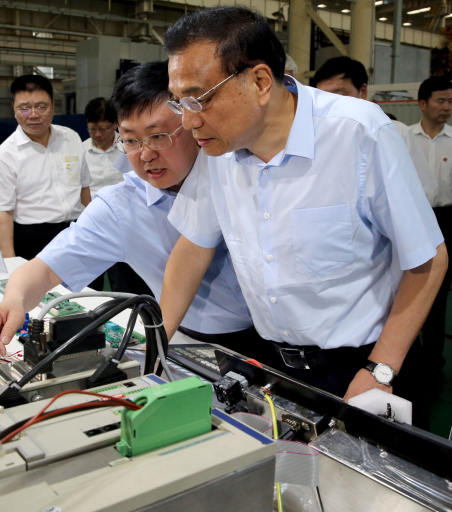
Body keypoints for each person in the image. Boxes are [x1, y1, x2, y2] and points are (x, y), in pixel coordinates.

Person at [159, 6, 446, 428]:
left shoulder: (357, 132)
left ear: (260, 81)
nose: (188, 121)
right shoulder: (218, 149)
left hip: (363, 364)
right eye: (179, 101)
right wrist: (155, 344)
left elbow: (428, 258)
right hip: (276, 368)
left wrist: (380, 370)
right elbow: (192, 248)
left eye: (199, 98)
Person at [0, 61, 255, 357]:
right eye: (131, 140)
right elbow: (44, 269)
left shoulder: (238, 168)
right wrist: (13, 301)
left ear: (191, 122)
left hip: (277, 333)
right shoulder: (121, 207)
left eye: (158, 136)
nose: (146, 154)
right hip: (194, 340)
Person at [0, 75, 91, 260]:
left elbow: (84, 190)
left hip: (77, 233)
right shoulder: (6, 155)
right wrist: (10, 262)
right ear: (14, 109)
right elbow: (3, 214)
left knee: (88, 280)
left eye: (41, 107)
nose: (33, 115)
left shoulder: (71, 138)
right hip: (33, 240)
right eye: (24, 108)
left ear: (53, 106)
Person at [313, 56, 437, 197]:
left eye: (339, 95)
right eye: (322, 97)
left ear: (363, 91)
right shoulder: (314, 137)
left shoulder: (396, 132)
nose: (330, 104)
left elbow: (415, 191)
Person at [83, 96, 152, 295]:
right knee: (90, 284)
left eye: (104, 128)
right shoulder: (82, 150)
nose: (97, 134)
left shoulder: (129, 148)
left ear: (115, 124)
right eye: (92, 129)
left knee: (124, 281)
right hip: (93, 224)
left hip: (126, 223)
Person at [410, 77, 452, 385]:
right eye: (441, 100)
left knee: (441, 295)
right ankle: (416, 362)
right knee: (419, 292)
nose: (447, 107)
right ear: (422, 104)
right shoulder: (405, 137)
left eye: (451, 101)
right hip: (415, 219)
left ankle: (435, 364)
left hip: (449, 218)